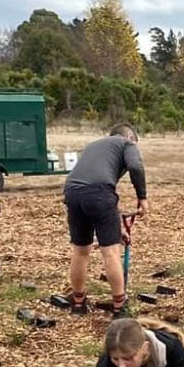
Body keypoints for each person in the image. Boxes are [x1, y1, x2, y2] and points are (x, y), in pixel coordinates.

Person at [62, 123, 146, 316]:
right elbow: (135, 166)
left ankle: (78, 304)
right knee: (110, 253)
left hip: (72, 192)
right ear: (130, 138)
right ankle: (119, 307)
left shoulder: (94, 146)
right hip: (99, 194)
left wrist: (119, 228)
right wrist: (142, 197)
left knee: (81, 251)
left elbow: (96, 187)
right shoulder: (127, 144)